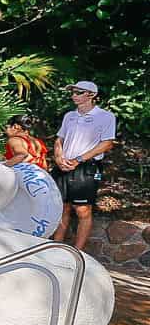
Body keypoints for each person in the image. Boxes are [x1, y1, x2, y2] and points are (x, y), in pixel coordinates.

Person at [50, 80, 116, 253]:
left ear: (91, 95)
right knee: (61, 206)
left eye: (78, 92)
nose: (73, 95)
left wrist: (79, 159)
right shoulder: (69, 116)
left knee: (82, 209)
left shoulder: (106, 116)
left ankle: (77, 253)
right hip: (63, 166)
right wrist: (58, 157)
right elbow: (59, 139)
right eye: (72, 92)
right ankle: (55, 248)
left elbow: (107, 143)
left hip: (86, 167)